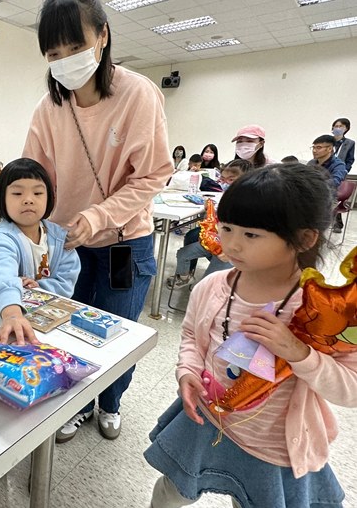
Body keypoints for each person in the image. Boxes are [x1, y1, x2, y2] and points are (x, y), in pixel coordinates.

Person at [145, 163, 351, 508]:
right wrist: (187, 371)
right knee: (171, 492)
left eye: (251, 235)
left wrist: (300, 353)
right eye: (227, 228)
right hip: (207, 419)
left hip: (273, 445)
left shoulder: (323, 311)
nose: (232, 244)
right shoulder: (212, 287)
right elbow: (192, 339)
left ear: (303, 239)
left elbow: (350, 387)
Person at [22, 0, 173, 442]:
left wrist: (99, 216)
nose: (65, 59)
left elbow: (153, 176)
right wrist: (27, 233)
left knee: (114, 330)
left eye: (76, 46)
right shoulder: (49, 109)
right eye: (53, 52)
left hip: (124, 243)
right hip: (68, 245)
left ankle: (109, 402)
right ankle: (73, 402)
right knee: (68, 327)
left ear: (103, 37)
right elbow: (35, 180)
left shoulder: (137, 94)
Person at [0, 158, 81, 343]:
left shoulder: (60, 238)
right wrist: (11, 313)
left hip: (51, 321)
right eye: (17, 193)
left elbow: (67, 281)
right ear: (1, 198)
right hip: (11, 319)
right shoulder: (4, 239)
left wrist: (37, 287)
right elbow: (0, 272)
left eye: (37, 193)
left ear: (49, 198)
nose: (28, 200)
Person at [166, 159, 252, 289]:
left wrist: (232, 253)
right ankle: (185, 277)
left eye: (231, 180)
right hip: (213, 243)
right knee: (183, 254)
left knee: (207, 285)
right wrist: (209, 211)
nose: (225, 184)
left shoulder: (251, 206)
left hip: (230, 252)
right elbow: (214, 223)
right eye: (222, 179)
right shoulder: (226, 198)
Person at [331, 118, 354, 232]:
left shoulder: (349, 143)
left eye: (341, 126)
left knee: (337, 197)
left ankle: (337, 224)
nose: (338, 128)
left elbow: (350, 159)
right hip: (327, 171)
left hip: (340, 173)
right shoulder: (329, 140)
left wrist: (345, 170)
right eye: (336, 126)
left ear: (346, 128)